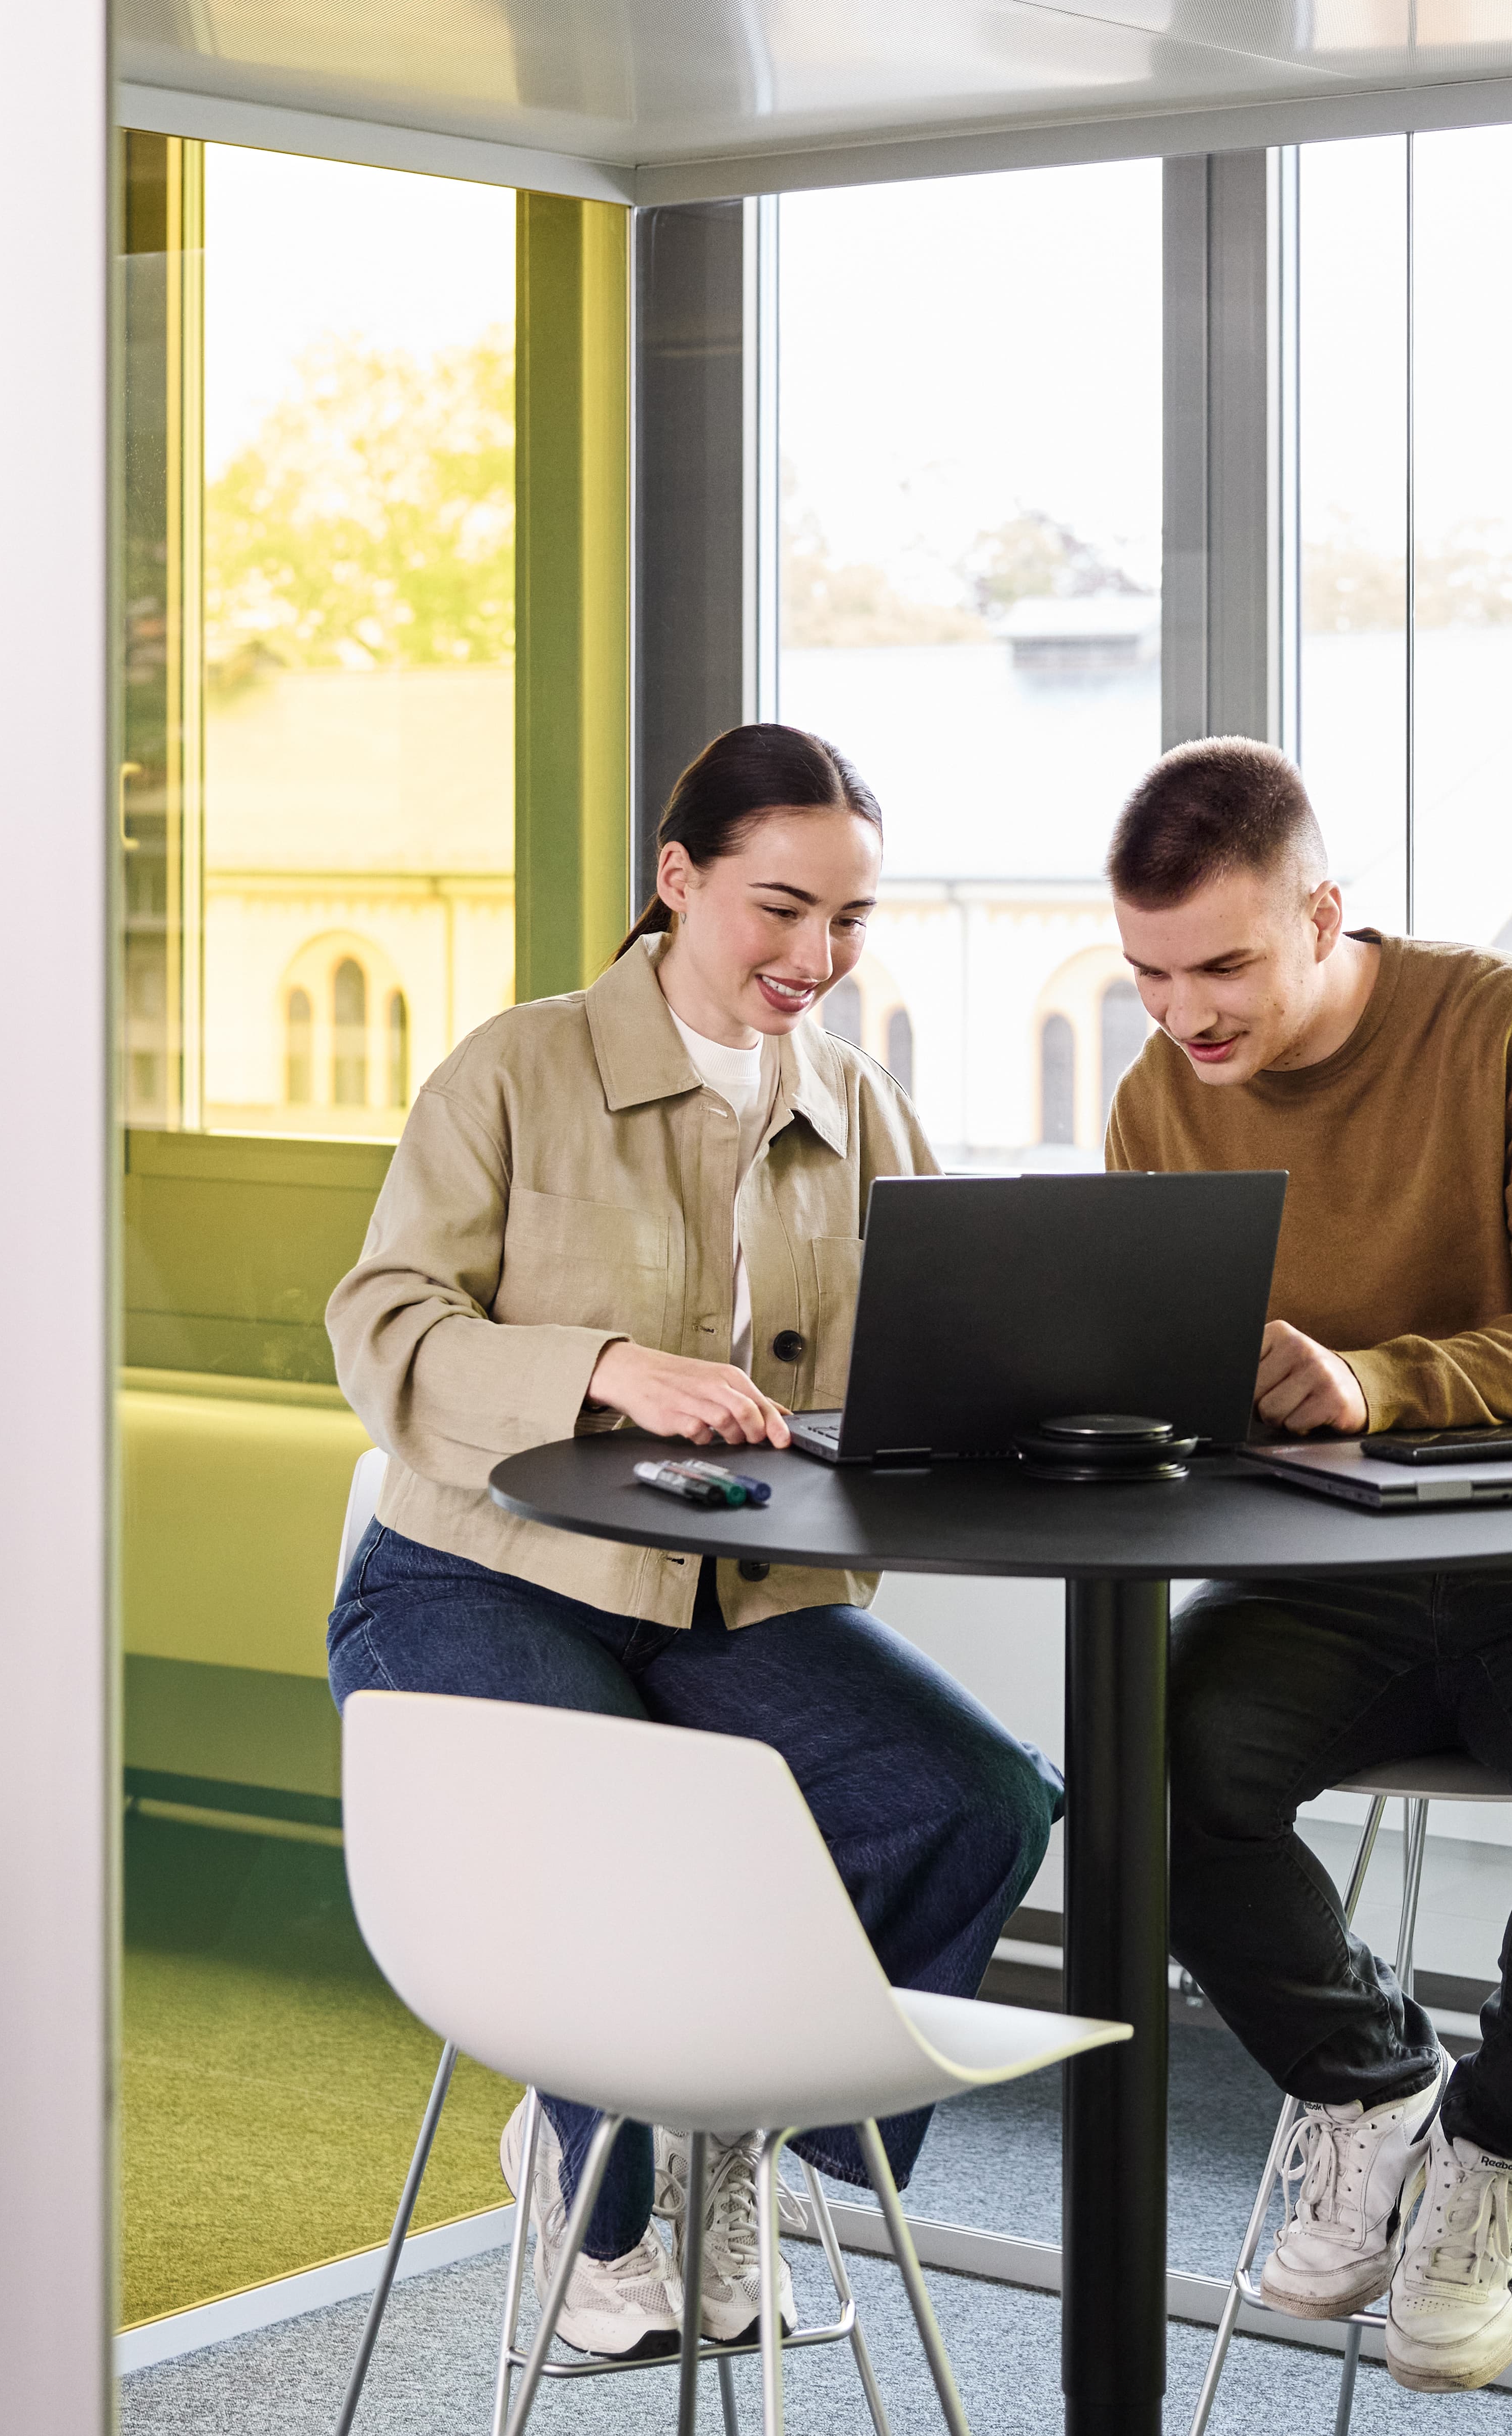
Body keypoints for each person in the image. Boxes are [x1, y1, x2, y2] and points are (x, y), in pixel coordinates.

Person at [325, 722, 1061, 2365]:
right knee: (624, 1828)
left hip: (731, 1602)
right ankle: (593, 2176)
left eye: (852, 921)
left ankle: (739, 2153)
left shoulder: (859, 1105)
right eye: (779, 909)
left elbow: (934, 1357)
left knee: (974, 1797)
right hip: (472, 1577)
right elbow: (381, 1321)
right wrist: (593, 1365)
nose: (817, 957)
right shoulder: (513, 1068)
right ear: (678, 880)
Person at [1099, 739, 1512, 2395]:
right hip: (1327, 1570)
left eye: (1224, 965)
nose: (1186, 1017)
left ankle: (1491, 2156)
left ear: (1324, 912)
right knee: (1130, 1775)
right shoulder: (1158, 1096)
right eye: (1150, 974)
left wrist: (1377, 1381)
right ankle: (1370, 2086)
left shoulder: (1511, 1026)